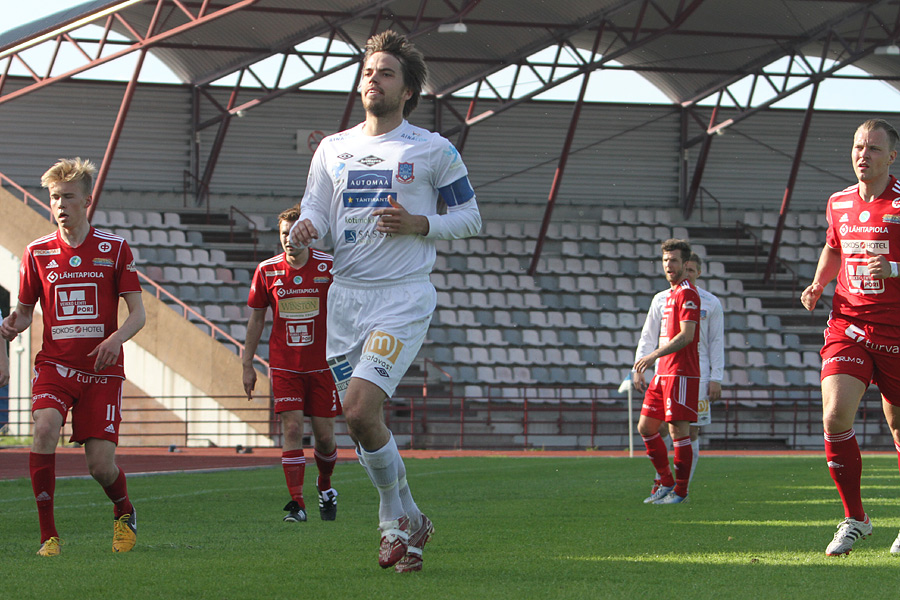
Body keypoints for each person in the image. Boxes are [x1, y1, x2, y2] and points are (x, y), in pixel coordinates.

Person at [289, 30, 482, 571]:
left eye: (386, 72)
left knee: (357, 408)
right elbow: (319, 216)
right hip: (345, 300)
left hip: (401, 297)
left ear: (408, 91)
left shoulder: (433, 149)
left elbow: (470, 218)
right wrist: (306, 229)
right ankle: (412, 518)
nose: (374, 78)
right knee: (359, 423)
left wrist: (420, 223)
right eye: (369, 70)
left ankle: (390, 519)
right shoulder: (333, 148)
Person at [0, 158, 145, 556]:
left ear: (87, 200)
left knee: (100, 467)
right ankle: (49, 536)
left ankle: (124, 510)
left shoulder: (114, 249)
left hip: (101, 371)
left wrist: (115, 339)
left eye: (67, 197)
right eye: (54, 198)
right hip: (55, 366)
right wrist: (10, 327)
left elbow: (139, 314)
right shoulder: (37, 253)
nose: (60, 205)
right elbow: (26, 315)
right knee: (44, 429)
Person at [801, 118, 900, 557]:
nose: (864, 155)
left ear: (892, 156)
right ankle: (855, 518)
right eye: (859, 147)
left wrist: (895, 269)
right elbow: (834, 247)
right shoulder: (838, 202)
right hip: (849, 326)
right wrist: (819, 282)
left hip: (897, 330)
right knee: (834, 416)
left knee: (898, 427)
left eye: (874, 149)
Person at [242, 206, 340, 523]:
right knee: (293, 429)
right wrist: (247, 364)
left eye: (293, 233)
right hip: (285, 365)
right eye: (283, 233)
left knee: (325, 438)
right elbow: (256, 320)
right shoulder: (267, 271)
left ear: (307, 235)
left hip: (323, 365)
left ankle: (324, 485)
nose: (288, 239)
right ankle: (297, 504)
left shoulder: (329, 267)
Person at [636, 252, 724, 492]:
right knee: (659, 427)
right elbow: (648, 335)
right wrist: (639, 365)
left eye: (693, 271)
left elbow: (716, 341)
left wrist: (716, 377)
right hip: (665, 371)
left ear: (698, 272)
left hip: (698, 373)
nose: (688, 275)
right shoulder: (661, 299)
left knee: (689, 430)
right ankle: (665, 480)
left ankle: (681, 486)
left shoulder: (709, 302)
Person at [632, 239, 701, 505]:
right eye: (665, 260)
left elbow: (687, 336)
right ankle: (666, 482)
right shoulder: (669, 295)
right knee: (646, 427)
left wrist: (653, 355)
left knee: (678, 432)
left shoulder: (687, 293)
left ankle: (680, 492)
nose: (668, 265)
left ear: (685, 264)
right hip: (663, 372)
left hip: (681, 372)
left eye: (673, 261)